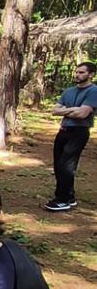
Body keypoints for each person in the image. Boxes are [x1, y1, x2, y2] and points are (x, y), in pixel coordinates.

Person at [45, 61, 96, 211]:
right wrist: (72, 110)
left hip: (79, 132)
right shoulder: (69, 91)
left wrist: (65, 110)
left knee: (67, 165)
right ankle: (70, 194)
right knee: (58, 164)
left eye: (82, 72)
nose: (77, 75)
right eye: (77, 72)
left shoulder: (93, 91)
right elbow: (55, 110)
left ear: (91, 74)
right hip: (63, 131)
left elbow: (82, 114)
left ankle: (62, 199)